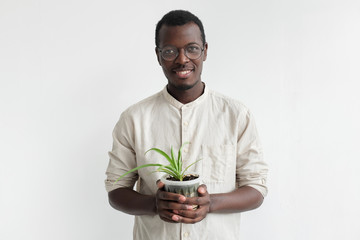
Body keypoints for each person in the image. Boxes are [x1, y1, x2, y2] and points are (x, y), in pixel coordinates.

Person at [105, 10, 268, 240]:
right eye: (170, 51)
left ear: (205, 51)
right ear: (158, 55)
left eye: (192, 48)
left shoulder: (236, 115)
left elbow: (256, 189)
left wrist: (211, 203)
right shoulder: (134, 118)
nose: (182, 59)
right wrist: (155, 205)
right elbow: (116, 191)